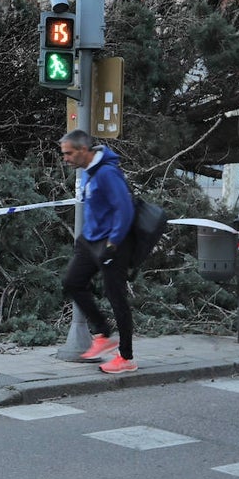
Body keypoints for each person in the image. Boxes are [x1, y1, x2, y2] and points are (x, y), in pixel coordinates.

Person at [59, 129, 137, 374]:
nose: (66, 158)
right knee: (72, 282)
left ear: (84, 150)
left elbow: (124, 210)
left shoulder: (106, 173)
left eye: (69, 153)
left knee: (116, 298)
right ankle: (103, 332)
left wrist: (113, 243)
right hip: (90, 241)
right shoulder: (91, 172)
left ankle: (126, 357)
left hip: (112, 243)